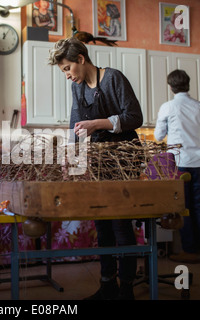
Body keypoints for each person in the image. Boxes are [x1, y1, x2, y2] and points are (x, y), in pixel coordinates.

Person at [48, 37, 143, 300]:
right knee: (102, 224)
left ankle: (126, 289)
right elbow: (76, 125)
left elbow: (135, 116)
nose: (67, 76)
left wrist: (98, 124)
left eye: (68, 68)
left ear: (81, 59)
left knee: (120, 224)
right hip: (99, 160)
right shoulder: (77, 89)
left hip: (124, 159)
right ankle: (107, 285)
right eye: (63, 72)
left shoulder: (113, 78)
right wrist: (70, 158)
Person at [154, 69, 200, 264]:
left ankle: (189, 250)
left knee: (184, 207)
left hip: (179, 164)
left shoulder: (168, 107)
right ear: (188, 84)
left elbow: (157, 136)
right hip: (199, 162)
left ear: (170, 86)